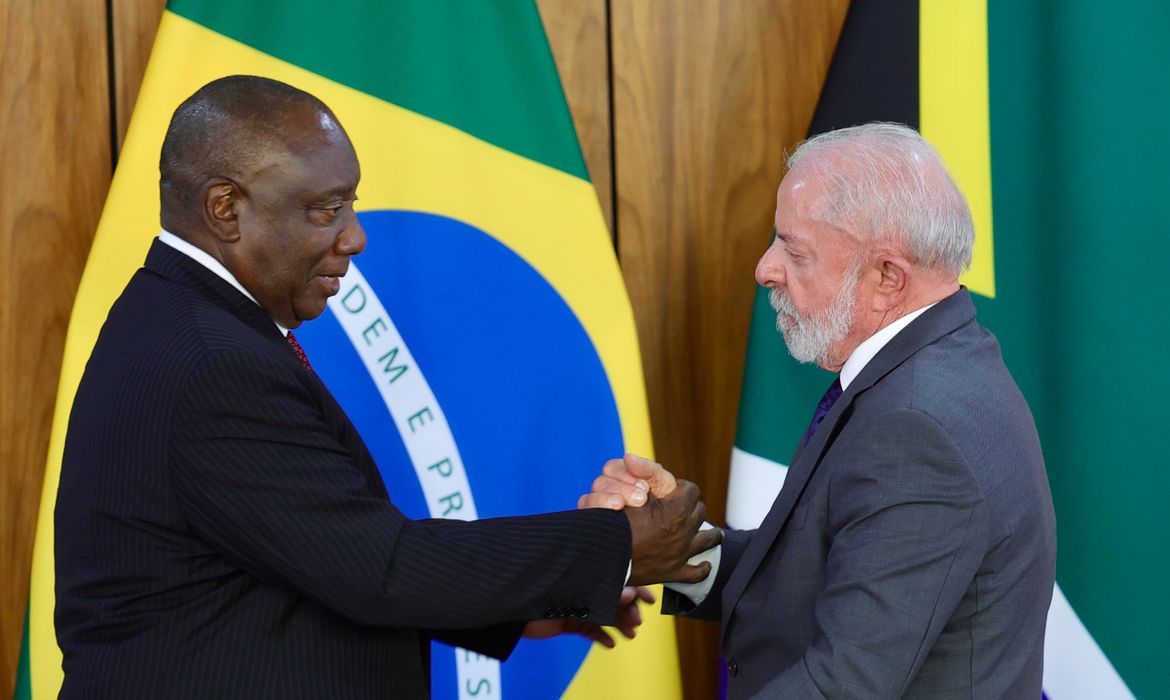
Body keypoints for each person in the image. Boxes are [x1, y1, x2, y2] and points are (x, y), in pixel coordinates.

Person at [54, 75, 720, 699]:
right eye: (326, 209)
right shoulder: (213, 361)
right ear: (225, 208)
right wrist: (619, 546)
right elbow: (379, 569)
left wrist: (527, 608)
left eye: (350, 203)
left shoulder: (187, 322)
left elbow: (312, 560)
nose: (355, 236)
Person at [582, 123, 1057, 699]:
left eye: (794, 250)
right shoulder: (939, 364)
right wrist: (673, 545)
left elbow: (841, 686)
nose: (764, 268)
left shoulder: (916, 426)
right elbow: (819, 574)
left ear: (887, 278)